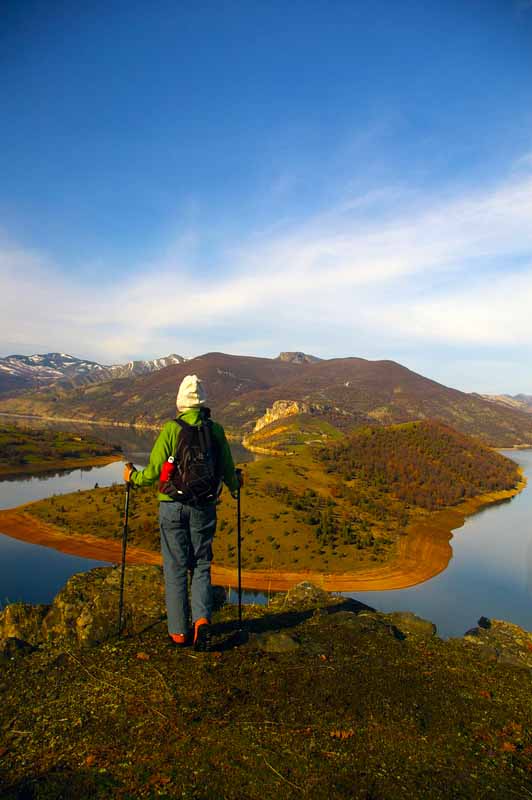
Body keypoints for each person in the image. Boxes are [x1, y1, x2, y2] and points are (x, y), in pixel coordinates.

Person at [123, 374, 241, 650]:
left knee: (175, 567)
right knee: (201, 564)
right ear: (202, 402)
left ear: (180, 402)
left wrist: (132, 477)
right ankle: (202, 622)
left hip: (172, 506)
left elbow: (153, 472)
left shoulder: (171, 429)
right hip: (204, 506)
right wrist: (236, 485)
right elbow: (227, 470)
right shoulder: (216, 430)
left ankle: (178, 632)